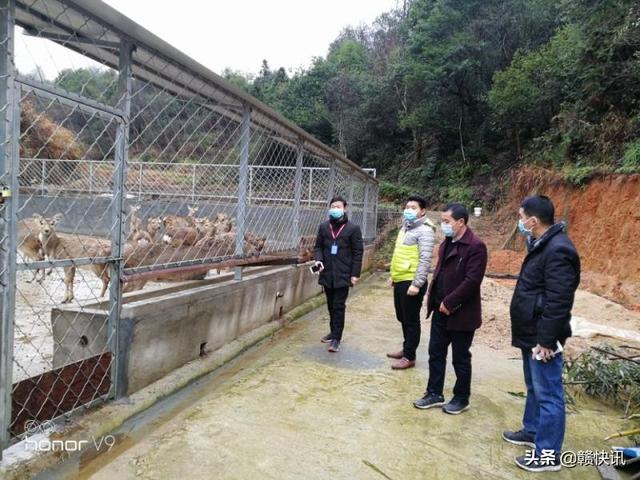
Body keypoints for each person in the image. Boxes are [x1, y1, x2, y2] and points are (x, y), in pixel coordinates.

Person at [503, 195, 580, 473]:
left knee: (548, 394)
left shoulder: (558, 249)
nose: (520, 222)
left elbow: (559, 300)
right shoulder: (541, 244)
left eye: (522, 217)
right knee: (535, 387)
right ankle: (532, 431)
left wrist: (547, 340)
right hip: (531, 331)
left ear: (533, 221)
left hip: (542, 337)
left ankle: (548, 454)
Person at [413, 203, 487, 414]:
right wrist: (436, 301)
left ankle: (462, 398)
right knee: (435, 352)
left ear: (461, 222)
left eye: (447, 221)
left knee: (460, 358)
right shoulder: (447, 242)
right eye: (442, 221)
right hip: (440, 310)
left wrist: (450, 302)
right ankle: (434, 393)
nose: (443, 225)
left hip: (462, 314)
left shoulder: (475, 246)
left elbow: (472, 281)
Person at [386, 195, 436, 370]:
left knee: (411, 320)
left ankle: (409, 356)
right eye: (407, 207)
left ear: (422, 211)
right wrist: (393, 275)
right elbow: (399, 254)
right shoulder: (405, 228)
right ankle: (406, 348)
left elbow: (425, 259)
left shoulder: (425, 231)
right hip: (400, 278)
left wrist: (417, 283)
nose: (409, 210)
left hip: (412, 281)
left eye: (413, 207)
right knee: (402, 317)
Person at [314, 196, 364, 353]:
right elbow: (318, 247)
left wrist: (355, 274)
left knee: (338, 306)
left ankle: (337, 338)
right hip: (327, 272)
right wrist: (318, 260)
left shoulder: (352, 228)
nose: (335, 209)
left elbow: (358, 252)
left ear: (345, 208)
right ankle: (332, 332)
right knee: (330, 305)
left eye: (338, 206)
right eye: (333, 206)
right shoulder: (323, 227)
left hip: (344, 273)